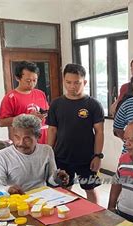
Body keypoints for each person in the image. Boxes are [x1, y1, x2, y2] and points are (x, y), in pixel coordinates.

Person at [47, 64, 104, 204]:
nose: (72, 86)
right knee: (64, 189)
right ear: (63, 82)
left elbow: (99, 132)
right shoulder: (56, 104)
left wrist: (98, 156)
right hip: (62, 156)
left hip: (87, 158)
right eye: (68, 82)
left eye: (77, 82)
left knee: (90, 188)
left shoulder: (93, 105)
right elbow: (52, 129)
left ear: (84, 82)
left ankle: (95, 217)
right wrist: (48, 153)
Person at [0, 114, 69, 194]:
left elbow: (51, 180)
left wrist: (57, 178)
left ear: (38, 136)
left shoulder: (47, 151)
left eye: (27, 139)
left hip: (43, 198)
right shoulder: (2, 156)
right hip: (17, 201)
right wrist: (8, 189)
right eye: (17, 137)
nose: (20, 143)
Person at [0, 61, 49, 143]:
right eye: (28, 81)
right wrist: (27, 118)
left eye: (34, 80)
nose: (32, 83)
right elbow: (1, 122)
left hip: (44, 140)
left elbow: (47, 113)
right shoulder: (11, 97)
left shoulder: (40, 93)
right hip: (24, 142)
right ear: (17, 78)